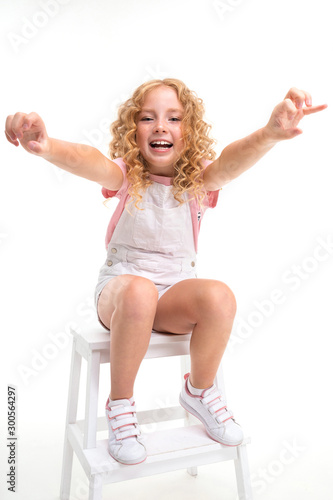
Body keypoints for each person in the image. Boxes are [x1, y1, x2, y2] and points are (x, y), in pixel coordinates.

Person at [5, 79, 327, 466]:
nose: (161, 126)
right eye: (148, 118)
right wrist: (48, 146)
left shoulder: (199, 182)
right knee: (139, 292)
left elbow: (231, 160)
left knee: (219, 296)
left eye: (174, 118)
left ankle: (198, 389)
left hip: (173, 292)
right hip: (121, 293)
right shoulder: (125, 177)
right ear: (133, 130)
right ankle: (121, 404)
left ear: (188, 132)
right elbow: (88, 160)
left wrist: (270, 134)